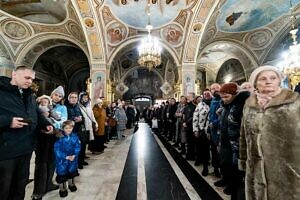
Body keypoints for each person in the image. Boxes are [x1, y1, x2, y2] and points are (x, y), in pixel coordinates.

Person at [239, 65, 300, 200]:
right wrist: (243, 160)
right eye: (263, 79)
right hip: (256, 172)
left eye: (273, 78)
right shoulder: (249, 105)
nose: (268, 81)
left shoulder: (295, 102)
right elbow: (244, 136)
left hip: (289, 173)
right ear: (255, 84)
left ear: (279, 81)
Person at [0, 66, 53, 200]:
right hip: (6, 150)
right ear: (14, 74)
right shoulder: (2, 91)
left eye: (32, 79)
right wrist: (8, 121)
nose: (30, 81)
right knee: (3, 188)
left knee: (19, 186)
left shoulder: (30, 95)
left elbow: (36, 113)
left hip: (26, 149)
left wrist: (46, 124)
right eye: (27, 78)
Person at [54, 120, 81, 198]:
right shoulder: (60, 138)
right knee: (62, 174)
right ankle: (62, 188)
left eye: (70, 128)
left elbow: (77, 146)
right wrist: (65, 156)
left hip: (72, 159)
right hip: (62, 160)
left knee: (72, 172)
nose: (68, 130)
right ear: (63, 128)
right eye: (66, 128)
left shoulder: (75, 136)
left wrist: (74, 155)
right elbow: (57, 149)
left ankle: (71, 184)